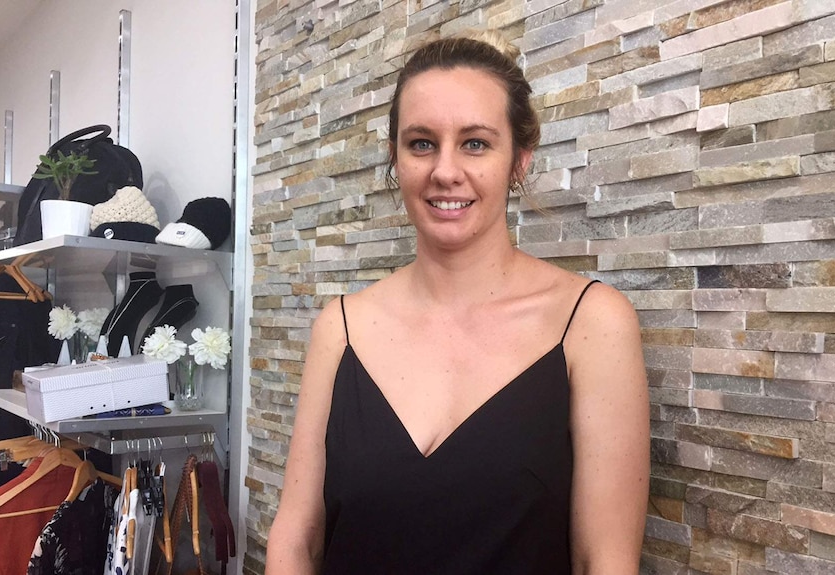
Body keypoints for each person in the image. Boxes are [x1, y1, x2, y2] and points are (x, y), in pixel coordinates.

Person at [265, 30, 649, 575]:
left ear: (519, 161)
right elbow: (297, 539)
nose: (445, 170)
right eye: (421, 143)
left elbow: (603, 561)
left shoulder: (592, 324)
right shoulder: (341, 328)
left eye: (475, 143)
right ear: (396, 160)